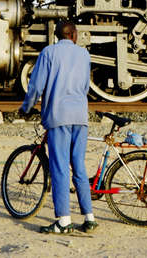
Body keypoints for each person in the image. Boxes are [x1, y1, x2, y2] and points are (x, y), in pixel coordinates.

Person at [19, 20, 98, 234]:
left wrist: (26, 107)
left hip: (58, 116)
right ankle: (89, 217)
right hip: (80, 117)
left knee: (60, 167)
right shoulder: (84, 55)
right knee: (78, 166)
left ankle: (63, 221)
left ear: (58, 35)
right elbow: (84, 86)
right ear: (73, 35)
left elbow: (36, 85)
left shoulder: (49, 52)